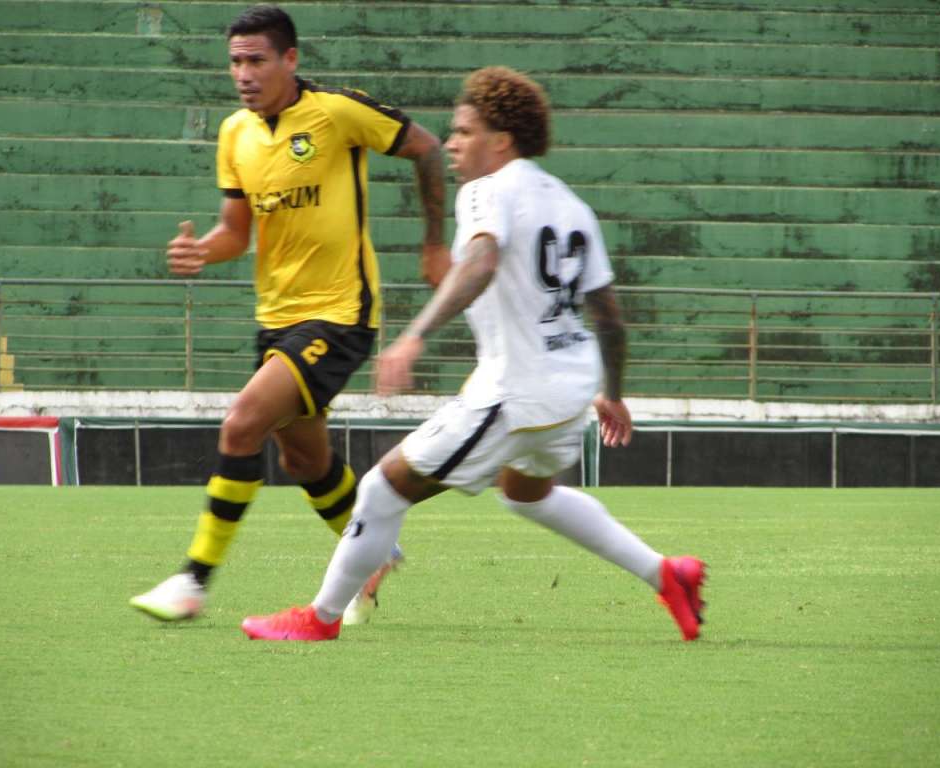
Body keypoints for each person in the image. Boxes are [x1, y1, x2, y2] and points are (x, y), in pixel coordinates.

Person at [240, 66, 707, 644]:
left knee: (381, 490)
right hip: (570, 388)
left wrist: (415, 335)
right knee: (526, 495)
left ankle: (320, 619)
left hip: (516, 394)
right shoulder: (569, 203)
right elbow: (608, 315)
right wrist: (613, 392)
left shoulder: (487, 190)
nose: (453, 144)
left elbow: (483, 262)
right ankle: (667, 575)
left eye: (464, 132)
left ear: (501, 140)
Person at [130, 4, 450, 626]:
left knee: (241, 425)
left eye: (256, 60)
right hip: (276, 316)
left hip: (339, 314)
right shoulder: (235, 134)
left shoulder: (335, 112)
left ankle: (192, 582)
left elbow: (428, 147)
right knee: (304, 460)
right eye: (235, 62)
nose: (243, 74)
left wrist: (434, 241)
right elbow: (234, 230)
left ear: (290, 59)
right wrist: (203, 252)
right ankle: (374, 550)